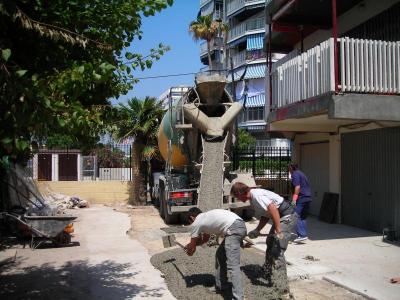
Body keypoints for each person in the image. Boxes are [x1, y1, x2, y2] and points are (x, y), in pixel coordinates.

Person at [230, 182, 297, 288]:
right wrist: (257, 230)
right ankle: (268, 272)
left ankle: (281, 285)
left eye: (236, 196)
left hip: (287, 216)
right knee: (270, 242)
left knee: (277, 248)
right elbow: (266, 214)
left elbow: (272, 208)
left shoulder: (256, 196)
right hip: (280, 217)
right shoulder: (253, 198)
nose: (237, 199)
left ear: (240, 192)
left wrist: (278, 230)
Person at [184, 208, 247, 300]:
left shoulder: (197, 222)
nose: (191, 225)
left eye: (190, 222)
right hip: (237, 225)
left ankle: (238, 298)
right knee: (220, 255)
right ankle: (221, 286)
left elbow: (191, 251)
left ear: (192, 218)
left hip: (233, 229)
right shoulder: (205, 219)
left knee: (233, 266)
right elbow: (205, 240)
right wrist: (191, 245)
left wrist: (189, 249)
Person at [288, 163, 312, 243]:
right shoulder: (301, 173)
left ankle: (301, 235)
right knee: (302, 217)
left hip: (301, 198)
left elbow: (297, 187)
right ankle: (303, 235)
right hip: (308, 197)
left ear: (291, 168)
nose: (288, 170)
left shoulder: (295, 174)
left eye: (289, 168)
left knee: (296, 215)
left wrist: (294, 199)